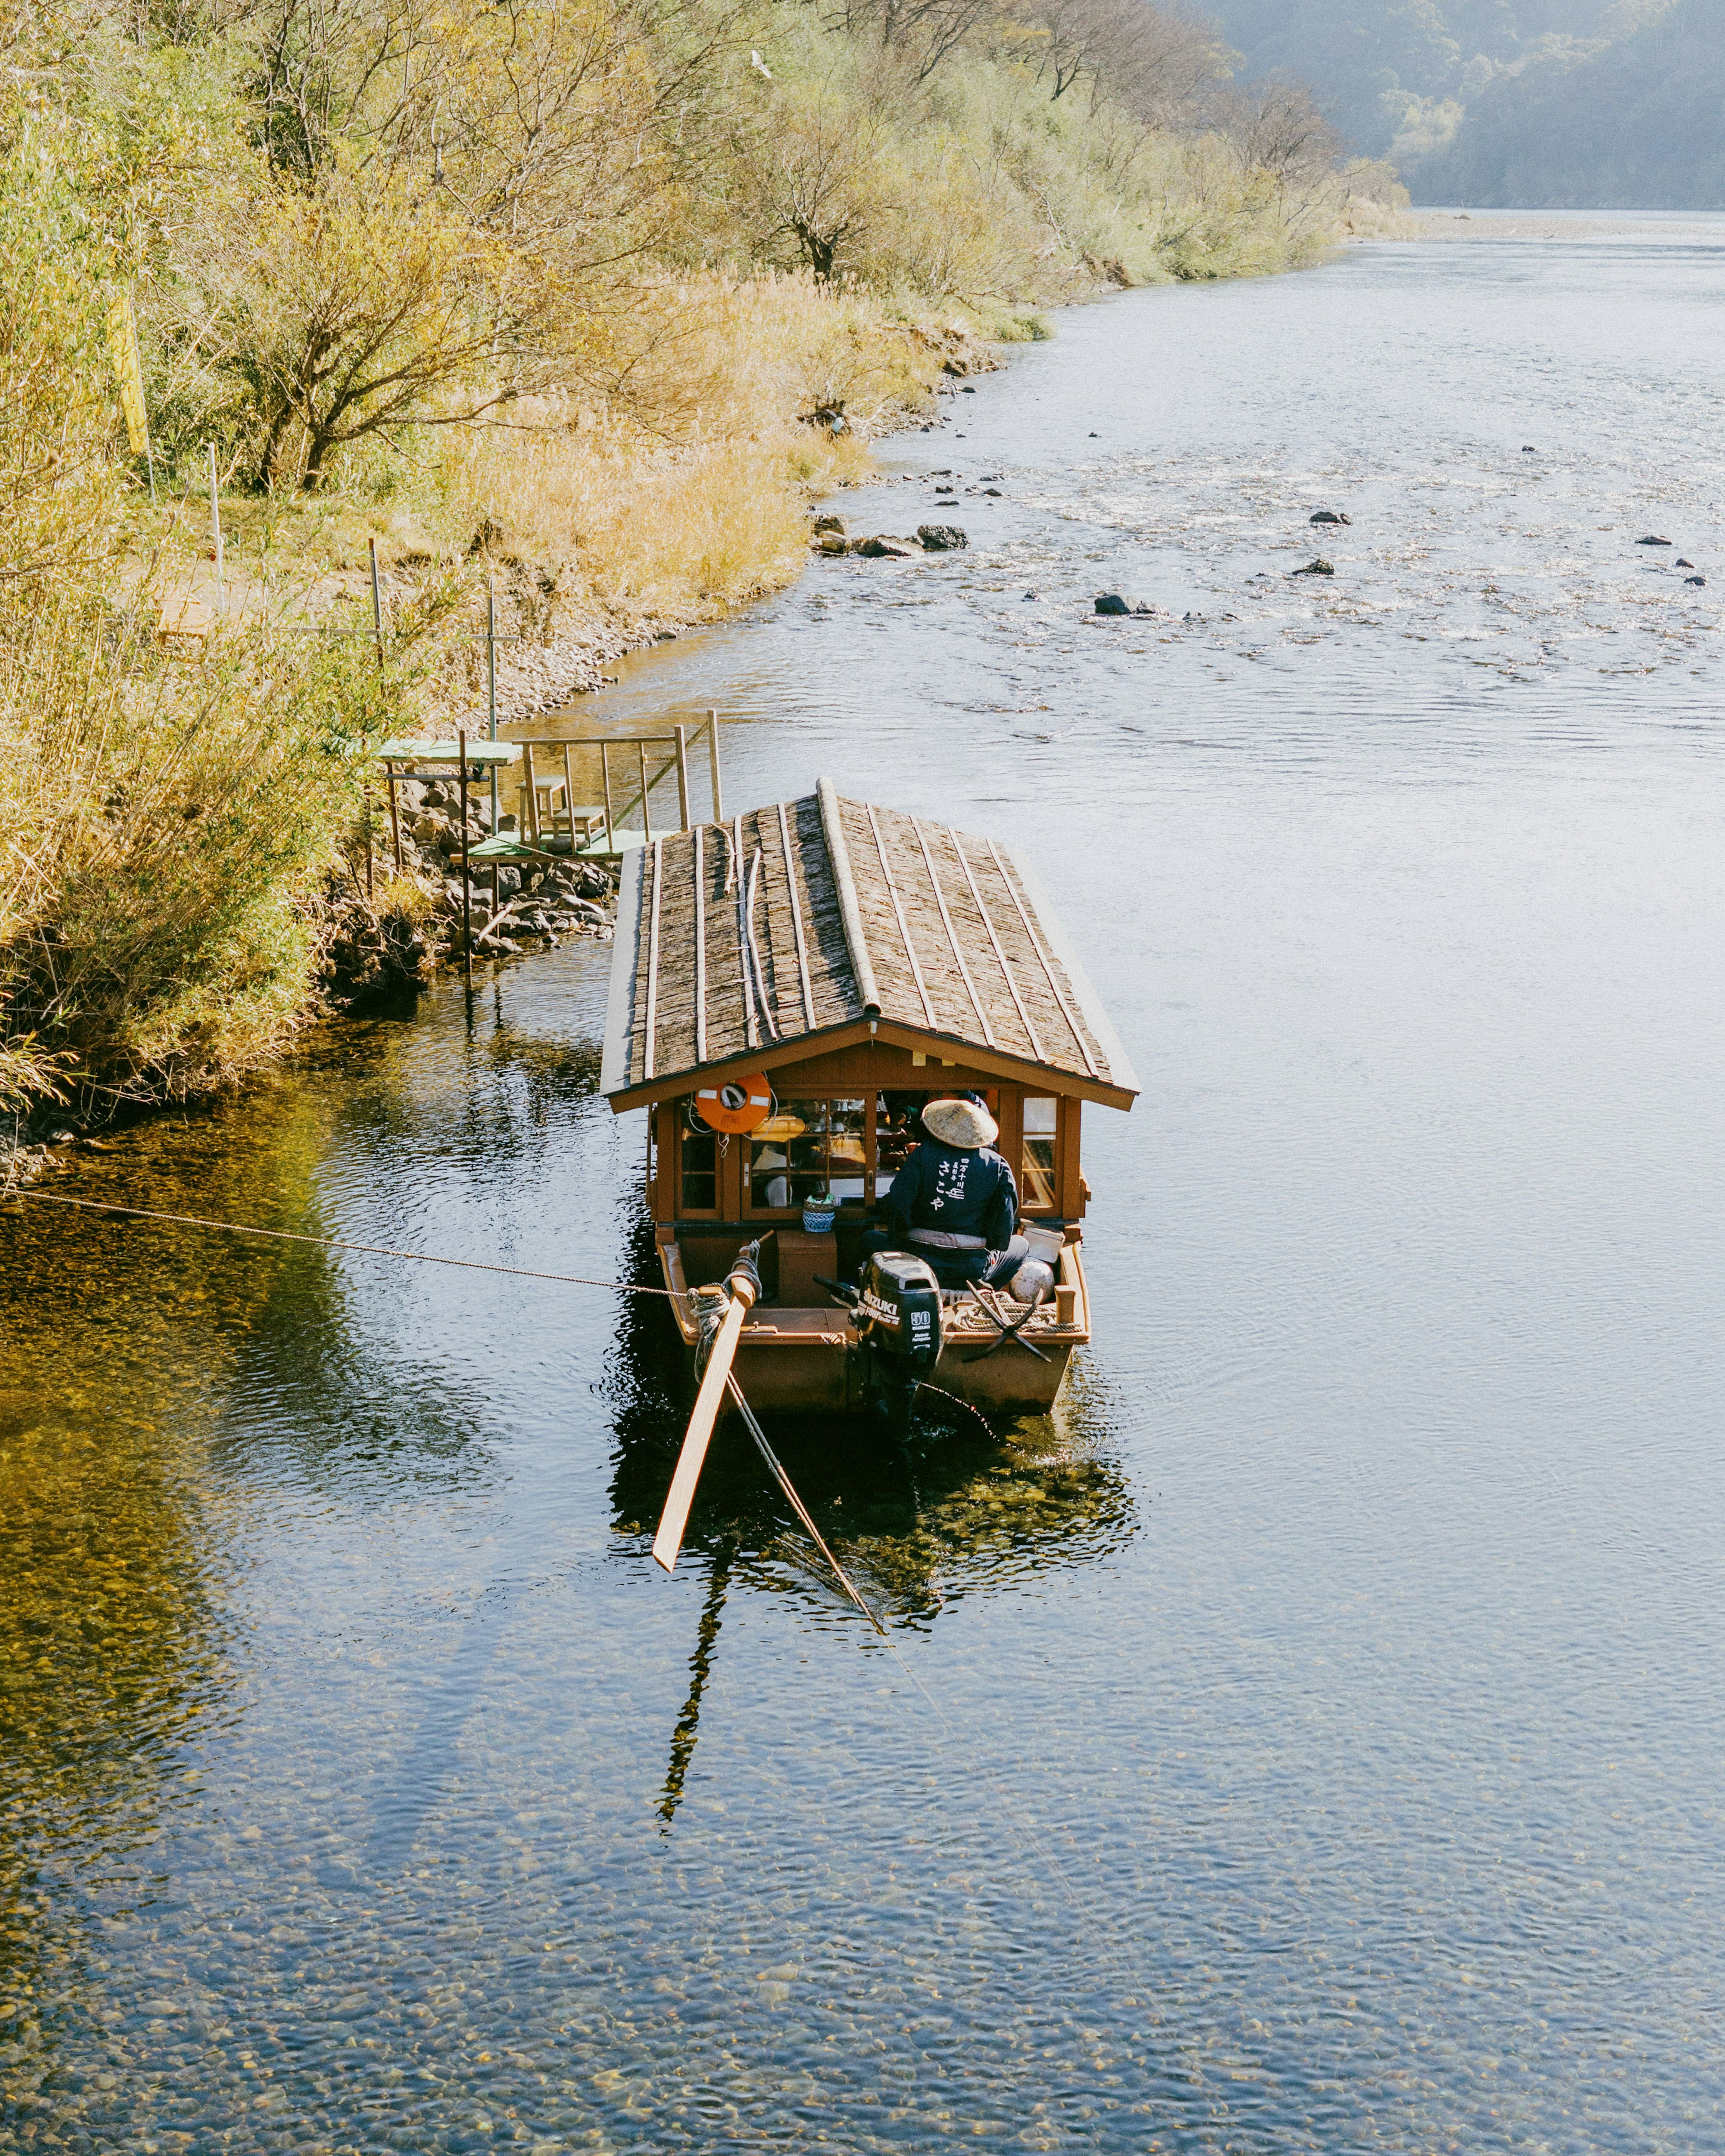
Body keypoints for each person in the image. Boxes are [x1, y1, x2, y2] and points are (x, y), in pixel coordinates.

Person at [855, 1093, 1027, 1291]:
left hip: (918, 1261)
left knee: (871, 1239)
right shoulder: (997, 1164)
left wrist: (899, 1234)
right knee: (1021, 1245)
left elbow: (899, 1203)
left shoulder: (923, 1154)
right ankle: (977, 1291)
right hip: (970, 1265)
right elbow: (1004, 1223)